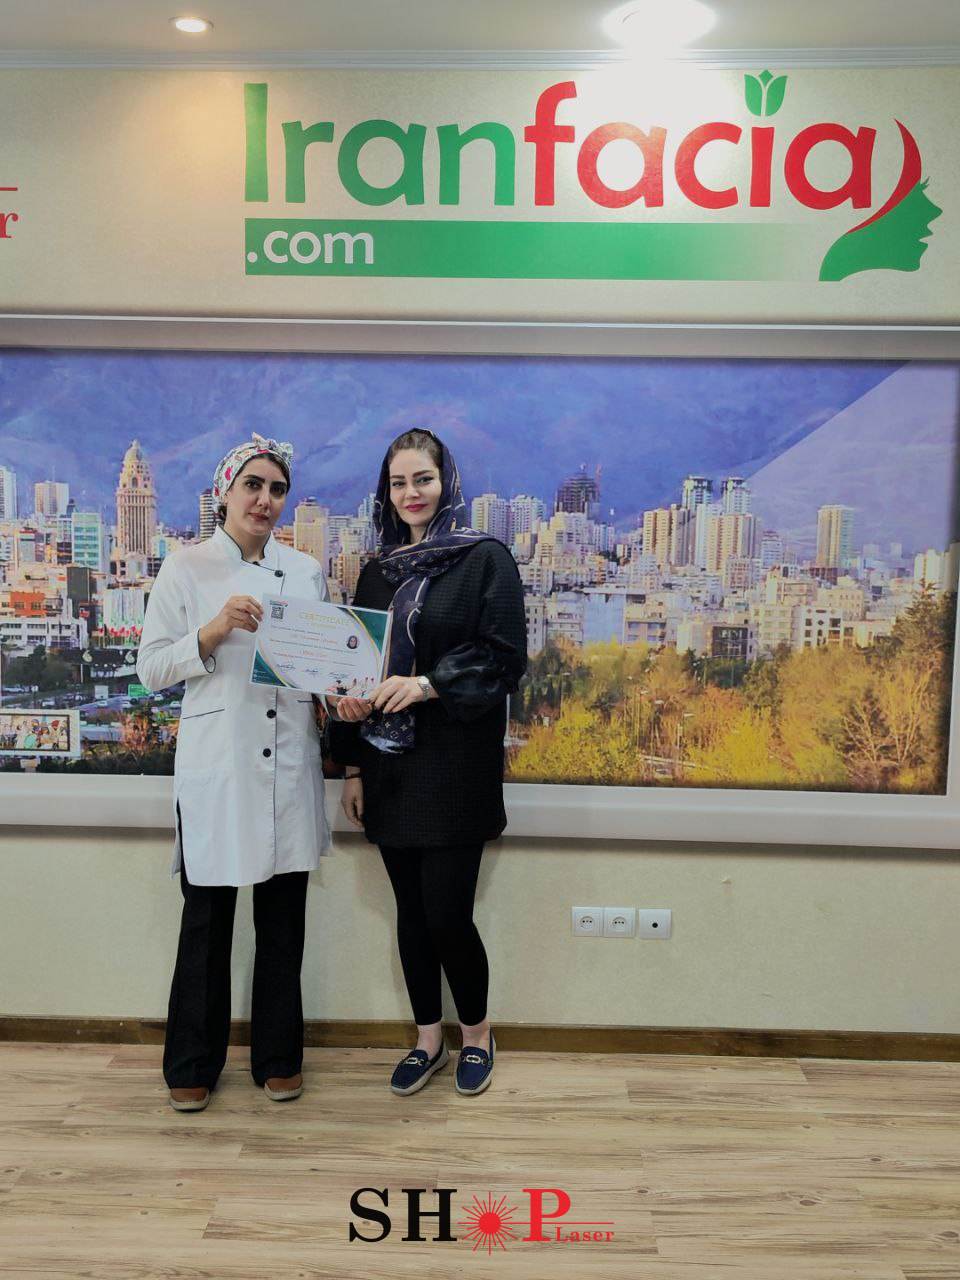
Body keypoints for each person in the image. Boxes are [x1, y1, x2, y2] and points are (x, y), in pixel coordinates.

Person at [137, 433, 332, 1113]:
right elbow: (150, 668)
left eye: (277, 489)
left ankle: (278, 1057)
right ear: (225, 493)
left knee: (283, 923)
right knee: (207, 920)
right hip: (219, 765)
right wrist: (212, 632)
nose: (264, 500)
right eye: (252, 485)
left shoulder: (305, 571)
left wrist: (341, 692)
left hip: (289, 762)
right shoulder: (186, 568)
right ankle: (192, 1062)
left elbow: (319, 665)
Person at [329, 429, 527, 1097]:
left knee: (447, 914)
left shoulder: (485, 559)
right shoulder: (377, 571)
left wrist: (426, 685)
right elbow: (357, 670)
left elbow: (504, 658)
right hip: (387, 769)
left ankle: (477, 1033)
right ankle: (427, 1039)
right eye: (398, 483)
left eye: (423, 479)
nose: (411, 493)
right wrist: (352, 766)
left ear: (447, 482)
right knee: (410, 916)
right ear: (385, 493)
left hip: (455, 768)